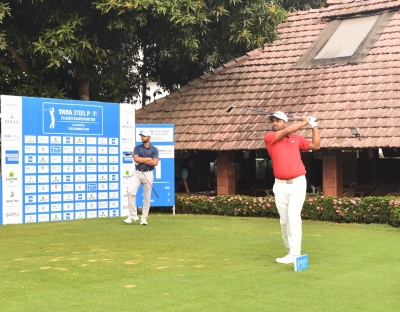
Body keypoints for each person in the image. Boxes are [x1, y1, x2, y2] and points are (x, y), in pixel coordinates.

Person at [264, 111, 320, 264]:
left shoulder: (296, 139)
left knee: (293, 218)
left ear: (286, 122)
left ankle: (295, 254)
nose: (274, 123)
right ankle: (290, 252)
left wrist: (314, 126)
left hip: (297, 183)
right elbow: (288, 131)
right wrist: (305, 121)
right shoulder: (270, 138)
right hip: (280, 185)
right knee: (284, 221)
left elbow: (316, 145)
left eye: (278, 120)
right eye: (273, 121)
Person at [124, 130, 159, 225]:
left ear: (149, 137)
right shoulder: (137, 148)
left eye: (144, 136)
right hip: (137, 173)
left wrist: (141, 160)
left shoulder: (154, 150)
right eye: (141, 136)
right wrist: (148, 159)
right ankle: (133, 215)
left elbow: (155, 163)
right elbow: (136, 159)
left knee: (147, 197)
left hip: (149, 173)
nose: (142, 137)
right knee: (130, 191)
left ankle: (144, 218)